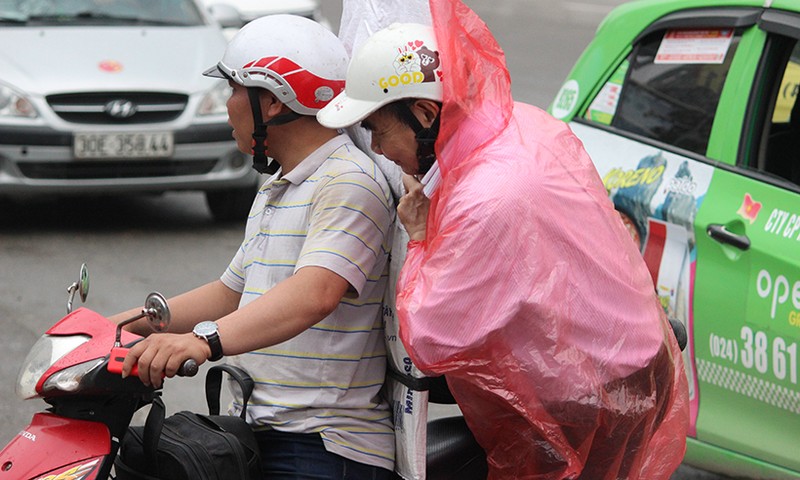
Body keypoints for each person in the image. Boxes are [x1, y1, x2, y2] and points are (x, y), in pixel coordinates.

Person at [317, 1, 690, 478]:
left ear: (425, 112)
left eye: (377, 129)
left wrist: (418, 236)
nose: (376, 149)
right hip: (625, 358)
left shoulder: (486, 195)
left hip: (590, 394)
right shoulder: (522, 126)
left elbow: (431, 337)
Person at [115, 14, 396, 479]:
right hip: (262, 429)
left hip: (324, 444)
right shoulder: (280, 184)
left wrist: (203, 341)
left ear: (269, 100)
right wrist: (121, 325)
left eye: (232, 90)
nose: (225, 106)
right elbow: (231, 293)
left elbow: (316, 292)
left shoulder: (348, 182)